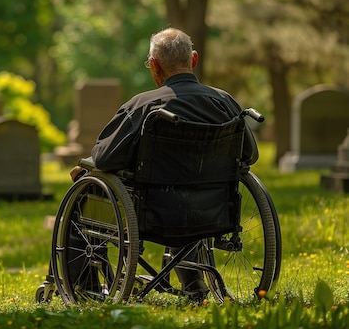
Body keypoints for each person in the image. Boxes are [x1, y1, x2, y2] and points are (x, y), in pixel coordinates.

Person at [70, 27, 259, 302]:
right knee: (185, 188)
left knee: (83, 191)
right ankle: (193, 283)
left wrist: (87, 167)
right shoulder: (224, 102)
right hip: (213, 211)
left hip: (152, 213)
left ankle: (84, 287)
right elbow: (249, 155)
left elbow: (105, 158)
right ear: (193, 60)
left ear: (155, 65)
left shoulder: (143, 105)